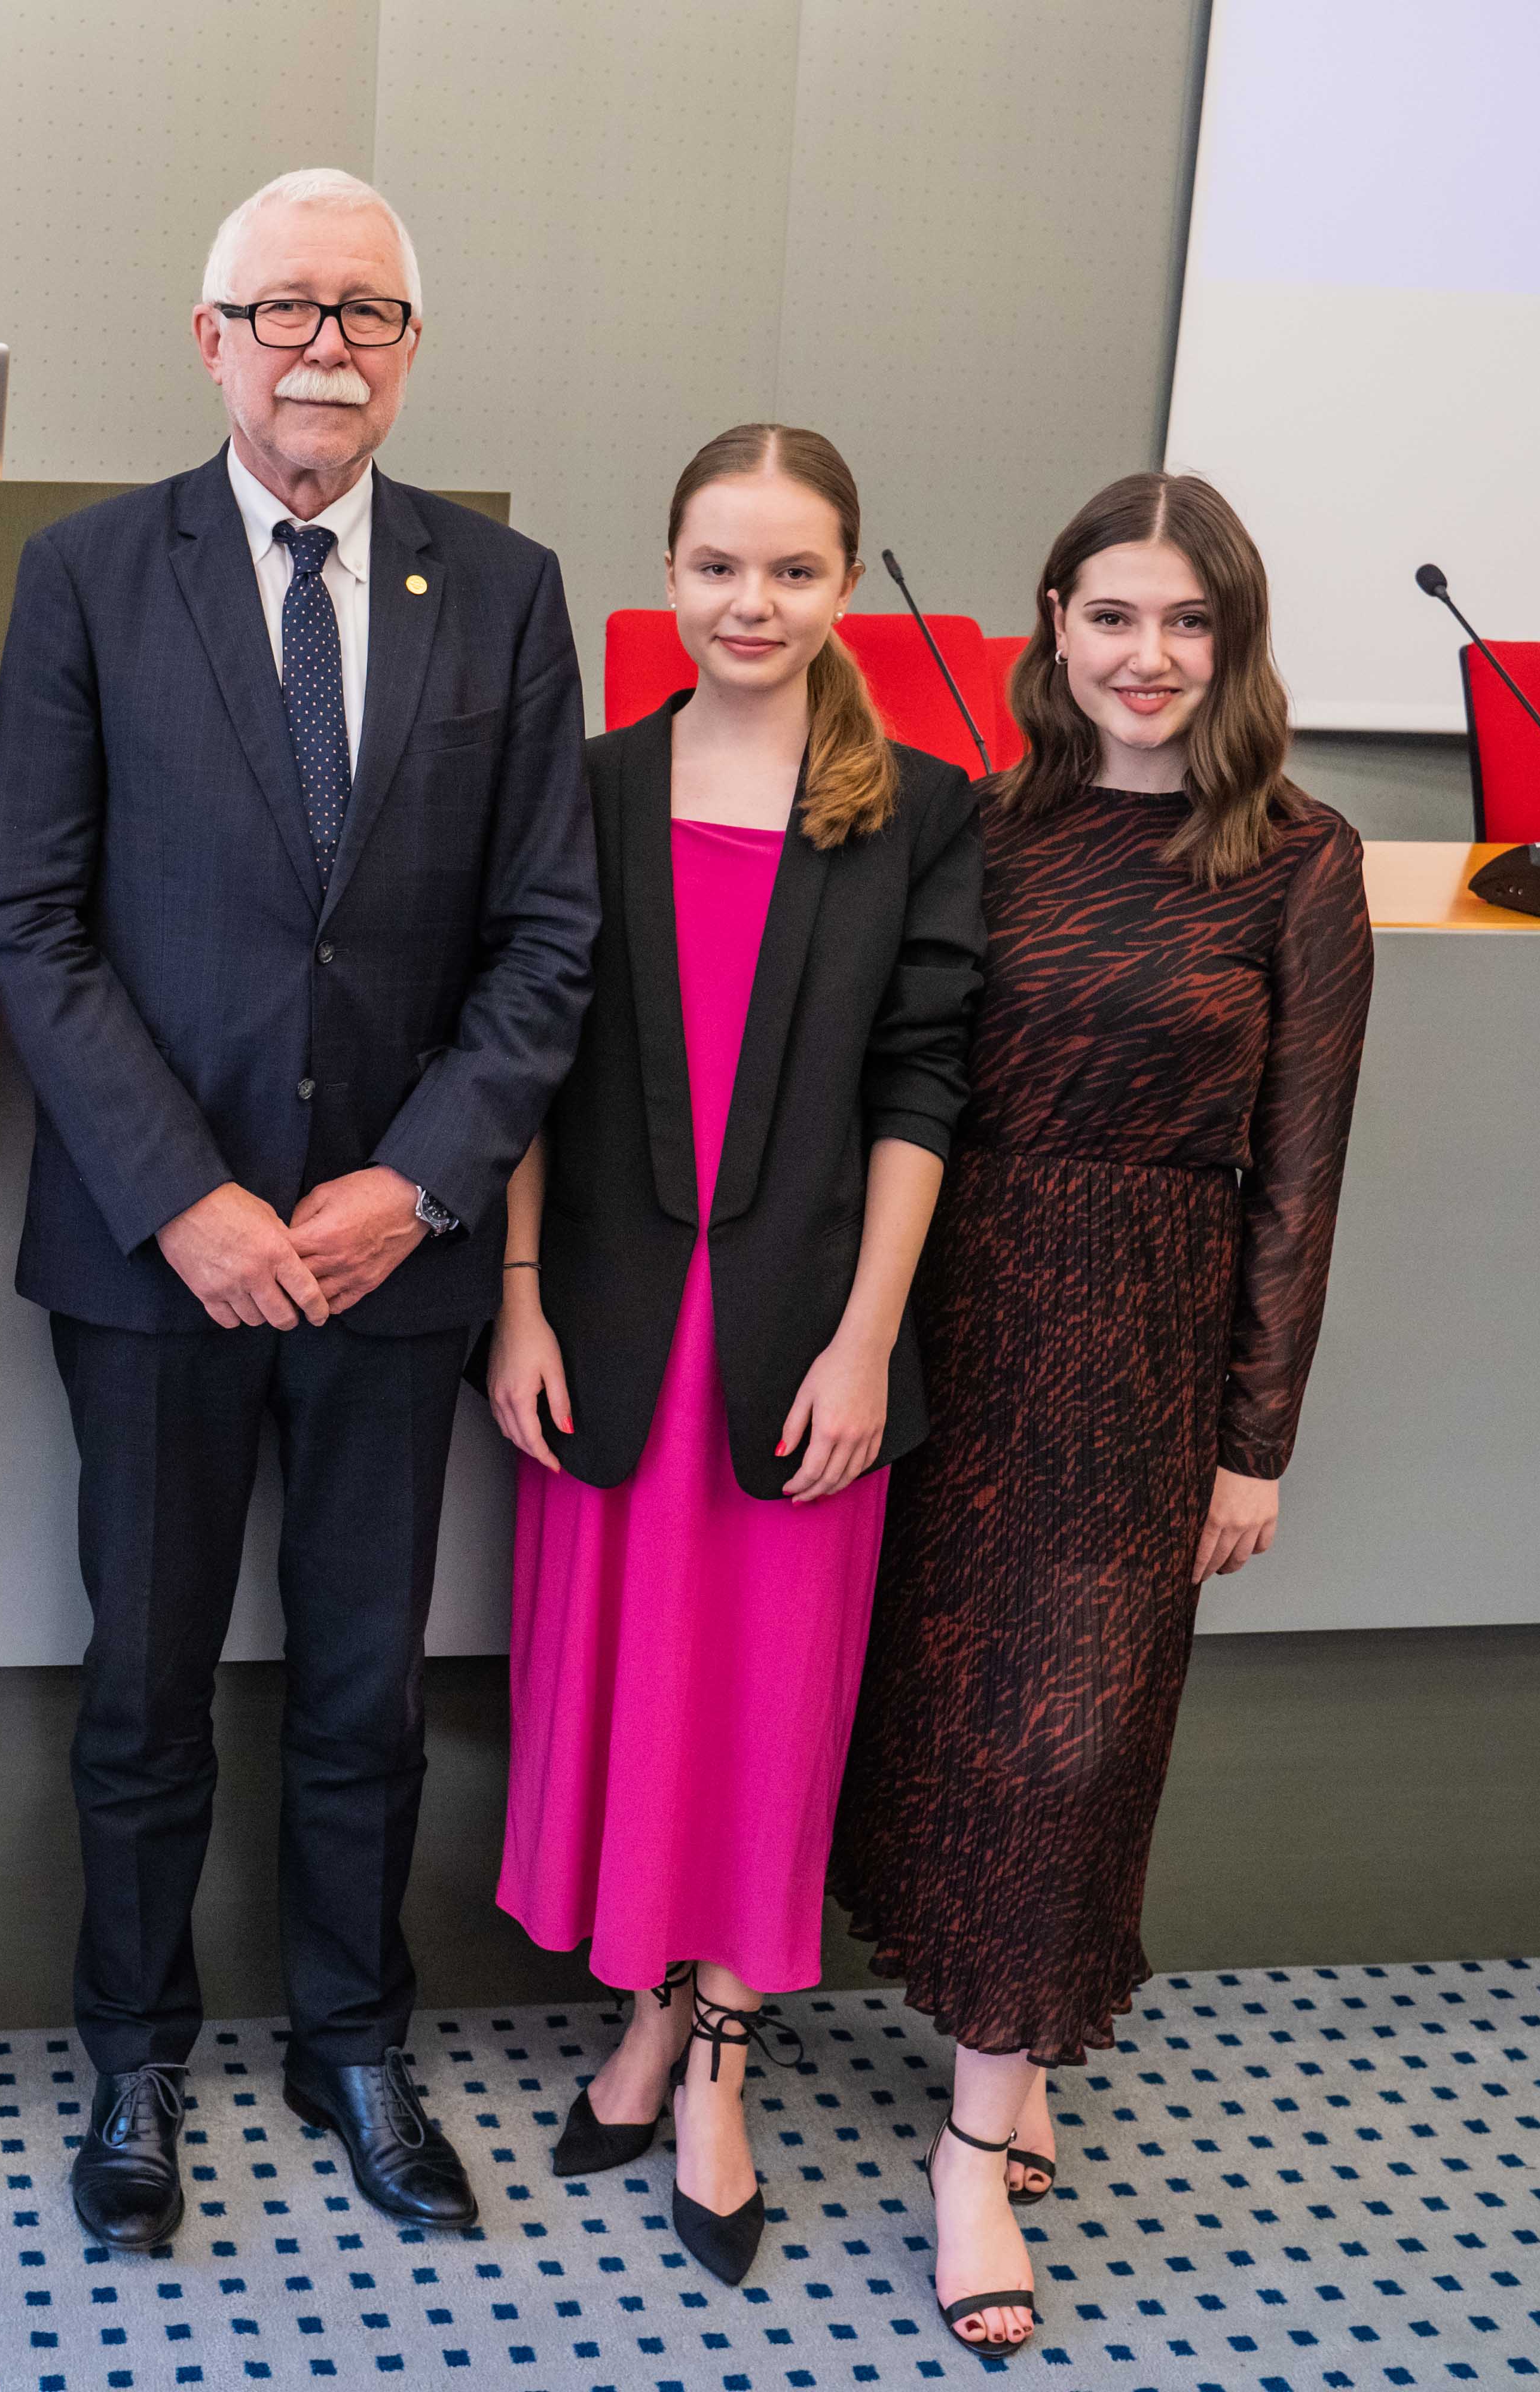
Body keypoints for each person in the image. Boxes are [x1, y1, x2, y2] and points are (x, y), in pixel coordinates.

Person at [0, 167, 597, 2250]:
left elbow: (547, 941)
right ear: (211, 338)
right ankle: (135, 2059)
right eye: (287, 309)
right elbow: (33, 920)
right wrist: (191, 1202)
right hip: (156, 1266)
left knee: (362, 1694)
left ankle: (354, 2041)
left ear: (410, 349)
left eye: (368, 312)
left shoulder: (505, 592)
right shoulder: (88, 575)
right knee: (146, 1695)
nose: (327, 346)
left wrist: (413, 1191)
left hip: (389, 1267)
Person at [829, 469, 1374, 2360]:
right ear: (1053, 623)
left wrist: (1256, 1438)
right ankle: (1006, 2039)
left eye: (1188, 621)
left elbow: (1301, 1178)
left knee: (1076, 1749)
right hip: (956, 1320)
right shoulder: (976, 830)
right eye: (1115, 615)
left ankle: (973, 2150)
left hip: (1148, 1349)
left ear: (1236, 641)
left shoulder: (1302, 860)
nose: (1149, 656)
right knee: (944, 1720)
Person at [484, 425, 983, 2287]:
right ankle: (645, 2010)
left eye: (790, 570)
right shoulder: (588, 784)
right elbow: (519, 1053)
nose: (750, 604)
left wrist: (869, 1340)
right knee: (639, 1699)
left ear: (846, 585)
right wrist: (518, 1297)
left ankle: (717, 2061)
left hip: (802, 1346)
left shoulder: (920, 807)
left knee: (766, 1710)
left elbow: (922, 1087)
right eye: (717, 566)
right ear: (668, 574)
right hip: (611, 1334)